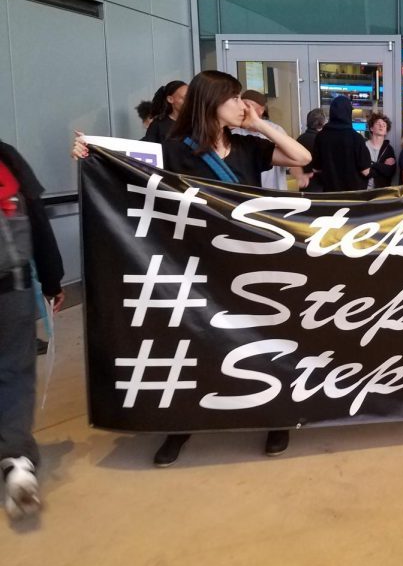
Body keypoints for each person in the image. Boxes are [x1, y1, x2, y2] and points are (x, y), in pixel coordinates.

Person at [74, 70, 311, 465]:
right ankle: (181, 423)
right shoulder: (174, 149)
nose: (242, 105)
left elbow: (301, 157)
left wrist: (258, 124)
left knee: (266, 338)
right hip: (196, 265)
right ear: (210, 103)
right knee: (194, 340)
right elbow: (124, 169)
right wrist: (87, 153)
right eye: (234, 99)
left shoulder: (249, 146)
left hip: (251, 261)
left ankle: (276, 417)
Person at [1, 140, 65, 520]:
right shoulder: (5, 157)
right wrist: (53, 280)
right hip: (11, 289)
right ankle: (17, 463)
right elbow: (38, 219)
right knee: (13, 373)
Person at [231, 90, 291, 191]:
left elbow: (294, 159)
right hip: (246, 194)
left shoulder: (275, 130)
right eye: (242, 104)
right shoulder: (234, 132)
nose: (244, 108)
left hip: (274, 193)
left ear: (261, 110)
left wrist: (300, 174)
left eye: (248, 105)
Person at [312, 95, 371, 192]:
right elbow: (366, 171)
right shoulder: (356, 138)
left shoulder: (321, 137)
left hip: (329, 194)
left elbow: (316, 168)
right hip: (353, 196)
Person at [297, 108, 327, 192]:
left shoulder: (300, 139)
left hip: (304, 185)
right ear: (322, 123)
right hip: (320, 186)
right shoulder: (323, 140)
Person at [365, 112, 396, 188]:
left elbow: (389, 172)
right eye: (378, 124)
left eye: (384, 125)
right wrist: (382, 167)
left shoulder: (388, 149)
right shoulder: (363, 146)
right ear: (371, 128)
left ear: (386, 131)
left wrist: (372, 164)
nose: (381, 126)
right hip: (363, 190)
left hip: (381, 191)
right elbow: (361, 169)